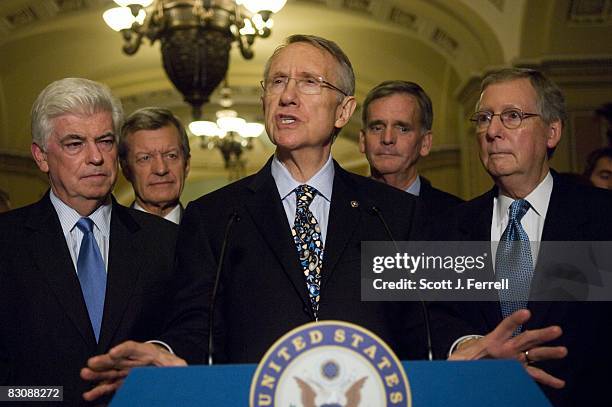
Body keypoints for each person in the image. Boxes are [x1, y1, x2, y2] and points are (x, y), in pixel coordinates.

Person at [82, 37, 565, 402]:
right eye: (277, 83)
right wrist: (164, 351)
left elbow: (426, 318)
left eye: (308, 83)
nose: (287, 96)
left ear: (344, 111)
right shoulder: (216, 217)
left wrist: (470, 346)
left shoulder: (395, 212)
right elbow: (194, 322)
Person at [0, 78, 204, 405]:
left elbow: (197, 329)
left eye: (105, 141)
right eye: (75, 143)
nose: (96, 157)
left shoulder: (167, 241)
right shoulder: (8, 242)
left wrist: (158, 354)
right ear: (41, 157)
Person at [443, 68, 612, 406]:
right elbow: (430, 317)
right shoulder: (448, 227)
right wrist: (466, 346)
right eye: (484, 118)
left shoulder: (602, 217)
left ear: (552, 131)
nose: (492, 131)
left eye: (512, 116)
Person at [359, 80, 462, 213]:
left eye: (403, 129)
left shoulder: (458, 217)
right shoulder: (337, 208)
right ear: (362, 140)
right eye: (377, 128)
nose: (387, 138)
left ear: (425, 143)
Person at [119, 107, 191, 224]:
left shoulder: (212, 236)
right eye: (145, 158)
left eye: (171, 155)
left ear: (186, 164)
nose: (161, 169)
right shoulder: (108, 236)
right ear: (126, 170)